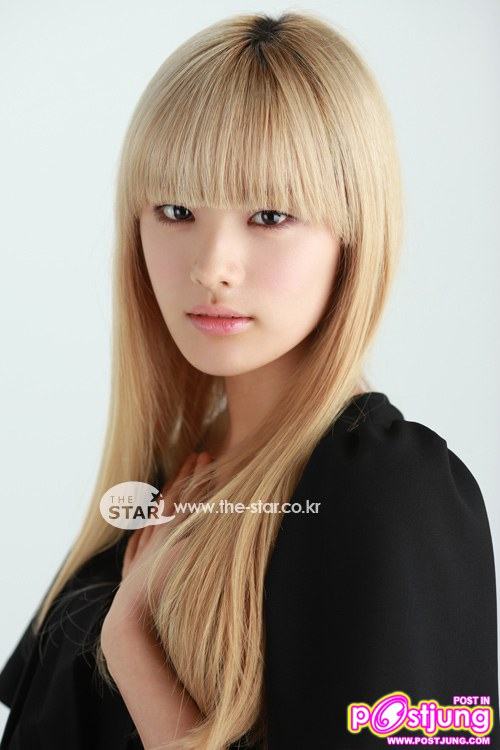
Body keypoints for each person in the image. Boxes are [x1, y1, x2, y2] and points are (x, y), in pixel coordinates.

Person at [0, 10, 498, 750]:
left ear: (353, 233)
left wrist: (132, 646)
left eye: (269, 215)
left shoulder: (393, 494)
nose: (211, 267)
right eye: (176, 210)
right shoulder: (163, 485)